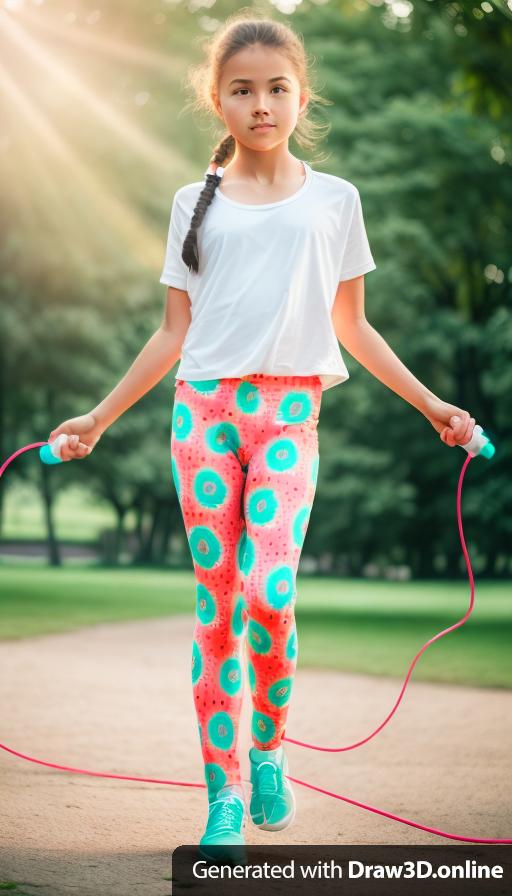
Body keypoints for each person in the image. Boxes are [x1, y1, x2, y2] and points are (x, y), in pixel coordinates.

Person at [48, 13, 475, 860]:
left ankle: (270, 750)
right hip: (201, 415)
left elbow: (353, 326)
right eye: (241, 89)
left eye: (276, 88)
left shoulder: (336, 200)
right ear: (219, 99)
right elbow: (172, 335)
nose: (260, 104)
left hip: (289, 415)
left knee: (270, 593)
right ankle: (223, 799)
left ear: (300, 96)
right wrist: (98, 417)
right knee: (217, 612)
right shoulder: (191, 205)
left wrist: (433, 407)